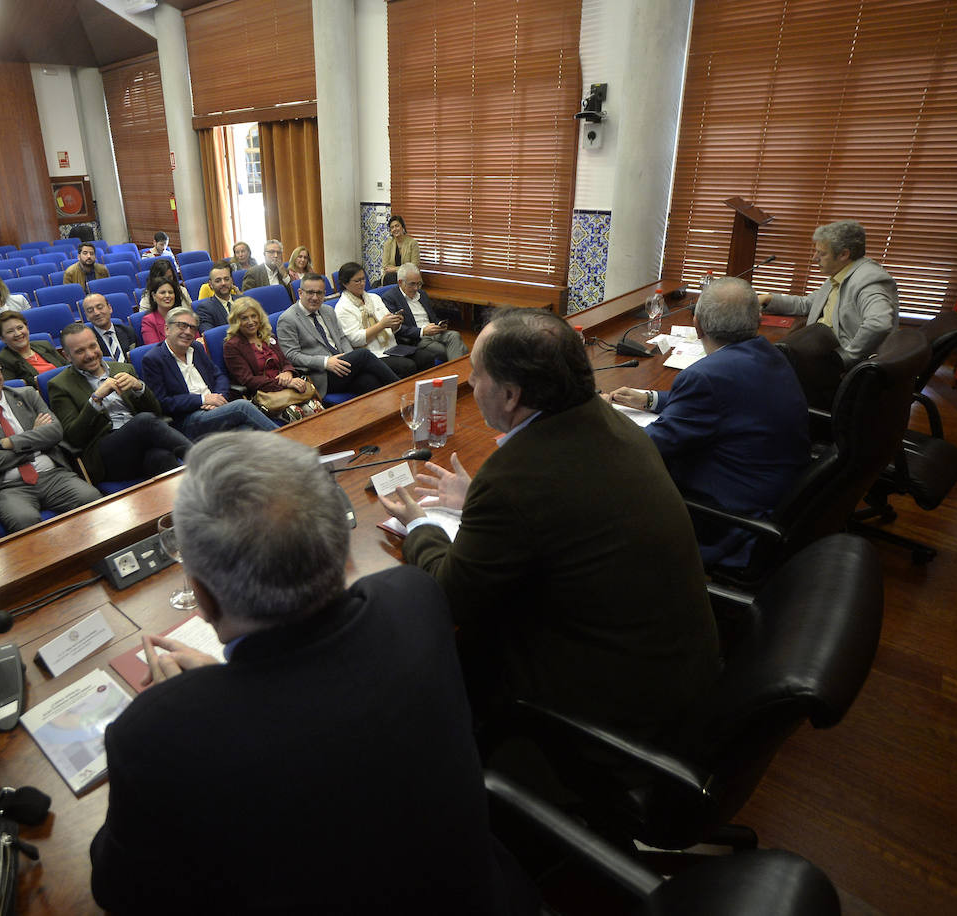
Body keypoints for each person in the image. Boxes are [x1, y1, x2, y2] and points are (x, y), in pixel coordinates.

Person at [89, 432, 530, 915]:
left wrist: (188, 707)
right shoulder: (415, 596)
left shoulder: (156, 732)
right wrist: (208, 698)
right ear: (344, 553)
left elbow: (120, 891)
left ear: (204, 596)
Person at [377, 309, 720, 743]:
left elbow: (449, 598)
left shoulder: (513, 480)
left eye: (476, 375)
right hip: (677, 668)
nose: (470, 385)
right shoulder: (608, 421)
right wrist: (477, 502)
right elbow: (558, 508)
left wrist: (420, 525)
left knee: (430, 664)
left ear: (510, 395)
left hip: (616, 713)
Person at [609, 278, 810, 567]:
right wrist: (650, 400)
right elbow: (723, 403)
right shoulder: (769, 354)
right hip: (774, 495)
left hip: (729, 519)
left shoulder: (708, 377)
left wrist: (597, 415)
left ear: (698, 325)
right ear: (757, 320)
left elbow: (646, 448)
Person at [0, 347, 99, 533]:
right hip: (7, 488)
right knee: (24, 521)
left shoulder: (26, 394)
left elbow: (55, 432)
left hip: (53, 476)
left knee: (91, 498)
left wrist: (6, 444)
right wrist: (34, 443)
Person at [48, 324, 191, 484]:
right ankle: (201, 459)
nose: (89, 354)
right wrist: (95, 399)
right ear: (67, 356)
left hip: (139, 443)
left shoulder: (123, 368)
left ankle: (195, 502)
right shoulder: (60, 385)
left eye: (92, 346)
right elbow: (73, 438)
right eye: (80, 351)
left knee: (162, 457)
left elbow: (156, 412)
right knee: (143, 421)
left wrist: (139, 387)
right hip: (106, 456)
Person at [761, 219, 898, 370]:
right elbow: (808, 304)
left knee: (765, 361)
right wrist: (769, 299)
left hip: (832, 359)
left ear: (844, 254)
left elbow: (880, 323)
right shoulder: (841, 273)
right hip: (815, 343)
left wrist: (845, 357)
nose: (815, 258)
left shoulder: (868, 280)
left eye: (822, 253)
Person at [140, 306, 278, 438]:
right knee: (243, 406)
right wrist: (202, 400)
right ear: (167, 329)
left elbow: (219, 377)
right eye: (182, 326)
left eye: (192, 328)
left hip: (217, 409)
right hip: (189, 418)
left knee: (247, 432)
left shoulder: (196, 348)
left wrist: (217, 398)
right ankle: (290, 442)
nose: (188, 332)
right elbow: (162, 402)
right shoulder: (153, 359)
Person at [277, 273, 400, 397]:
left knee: (369, 382)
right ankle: (403, 390)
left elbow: (342, 339)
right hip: (321, 374)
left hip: (342, 365)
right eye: (310, 292)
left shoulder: (327, 310)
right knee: (364, 355)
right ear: (300, 293)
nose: (315, 297)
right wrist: (326, 362)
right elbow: (292, 355)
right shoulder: (288, 319)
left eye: (319, 293)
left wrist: (348, 357)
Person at [334, 261, 432, 377]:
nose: (362, 284)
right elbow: (355, 339)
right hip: (373, 354)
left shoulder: (374, 298)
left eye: (363, 279)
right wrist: (381, 325)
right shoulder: (343, 308)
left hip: (392, 348)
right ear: (345, 283)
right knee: (407, 366)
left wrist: (395, 323)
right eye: (357, 281)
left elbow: (390, 326)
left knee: (426, 357)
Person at [222, 297, 309, 400]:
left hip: (288, 387)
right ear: (236, 321)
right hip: (264, 396)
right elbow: (248, 380)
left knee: (316, 407)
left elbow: (285, 361)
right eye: (244, 318)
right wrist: (284, 383)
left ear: (259, 317)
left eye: (253, 316)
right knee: (300, 412)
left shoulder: (268, 336)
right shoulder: (232, 346)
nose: (251, 322)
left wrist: (288, 372)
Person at [382, 264, 468, 362]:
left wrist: (439, 324)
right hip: (418, 338)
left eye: (419, 283)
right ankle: (459, 374)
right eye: (412, 284)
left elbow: (433, 317)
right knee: (457, 349)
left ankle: (457, 374)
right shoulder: (390, 298)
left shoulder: (422, 294)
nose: (416, 288)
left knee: (455, 335)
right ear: (400, 282)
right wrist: (422, 331)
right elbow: (397, 329)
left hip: (434, 332)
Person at [0, 310, 67, 387]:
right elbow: (17, 391)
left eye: (20, 328)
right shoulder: (4, 360)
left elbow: (67, 367)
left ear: (27, 328)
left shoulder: (44, 345)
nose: (18, 333)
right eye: (10, 331)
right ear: (2, 338)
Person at [82, 292, 137, 362]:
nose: (96, 313)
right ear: (87, 316)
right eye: (90, 311)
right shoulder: (87, 342)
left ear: (109, 308)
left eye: (100, 307)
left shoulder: (128, 331)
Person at [240, 238, 295, 303]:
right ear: (264, 254)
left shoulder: (284, 271)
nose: (276, 255)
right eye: (271, 252)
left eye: (278, 252)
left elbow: (293, 295)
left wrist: (285, 276)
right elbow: (246, 298)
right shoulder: (253, 273)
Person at [193, 265, 238, 333]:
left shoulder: (243, 300)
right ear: (210, 284)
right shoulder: (205, 308)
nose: (223, 283)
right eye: (218, 281)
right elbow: (211, 336)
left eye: (226, 279)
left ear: (232, 281)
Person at [138, 279, 182, 346]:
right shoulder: (149, 321)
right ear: (154, 296)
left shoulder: (184, 315)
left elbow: (197, 340)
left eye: (170, 292)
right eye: (162, 293)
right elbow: (155, 351)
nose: (167, 296)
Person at [380, 214, 420, 286]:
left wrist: (394, 269)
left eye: (397, 226)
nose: (395, 229)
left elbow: (414, 266)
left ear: (402, 227)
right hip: (391, 278)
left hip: (409, 279)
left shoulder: (412, 243)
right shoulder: (388, 244)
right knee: (389, 278)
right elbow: (385, 266)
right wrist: (397, 269)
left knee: (391, 278)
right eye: (392, 227)